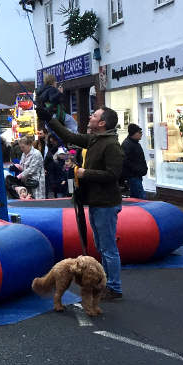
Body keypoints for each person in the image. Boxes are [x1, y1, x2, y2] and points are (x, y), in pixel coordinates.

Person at [38, 103, 124, 300]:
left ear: (101, 123)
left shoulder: (111, 145)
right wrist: (49, 119)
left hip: (106, 203)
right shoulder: (96, 140)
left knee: (108, 248)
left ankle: (114, 287)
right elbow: (70, 137)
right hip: (97, 202)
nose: (90, 116)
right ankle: (107, 284)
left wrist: (86, 173)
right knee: (102, 246)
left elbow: (113, 174)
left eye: (94, 115)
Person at [122, 123, 148, 199]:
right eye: (139, 132)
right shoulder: (127, 144)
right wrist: (137, 170)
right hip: (133, 176)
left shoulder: (135, 143)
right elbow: (125, 161)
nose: (141, 134)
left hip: (136, 175)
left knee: (136, 197)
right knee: (140, 198)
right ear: (134, 133)